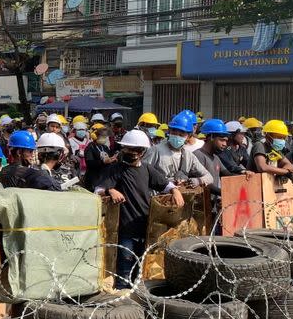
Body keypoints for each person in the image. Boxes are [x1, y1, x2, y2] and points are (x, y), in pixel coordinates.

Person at [95, 130, 184, 289]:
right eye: (130, 149)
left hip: (144, 229)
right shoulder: (116, 169)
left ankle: (136, 299)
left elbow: (165, 184)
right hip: (125, 230)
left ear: (143, 152)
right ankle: (122, 299)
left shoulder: (148, 169)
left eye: (137, 150)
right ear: (123, 149)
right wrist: (110, 190)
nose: (133, 153)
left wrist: (175, 191)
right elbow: (98, 190)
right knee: (124, 269)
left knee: (140, 269)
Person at [147, 115, 213, 187]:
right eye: (174, 132)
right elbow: (142, 173)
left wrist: (197, 181)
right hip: (159, 196)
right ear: (169, 131)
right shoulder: (156, 151)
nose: (177, 136)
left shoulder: (188, 156)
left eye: (181, 134)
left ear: (188, 136)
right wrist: (166, 182)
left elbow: (209, 177)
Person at [83, 124, 116, 191]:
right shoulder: (90, 147)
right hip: (93, 179)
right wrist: (103, 162)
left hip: (104, 178)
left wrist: (113, 159)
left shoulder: (105, 147)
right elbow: (90, 163)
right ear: (95, 136)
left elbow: (109, 157)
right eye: (103, 136)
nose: (105, 138)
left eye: (105, 136)